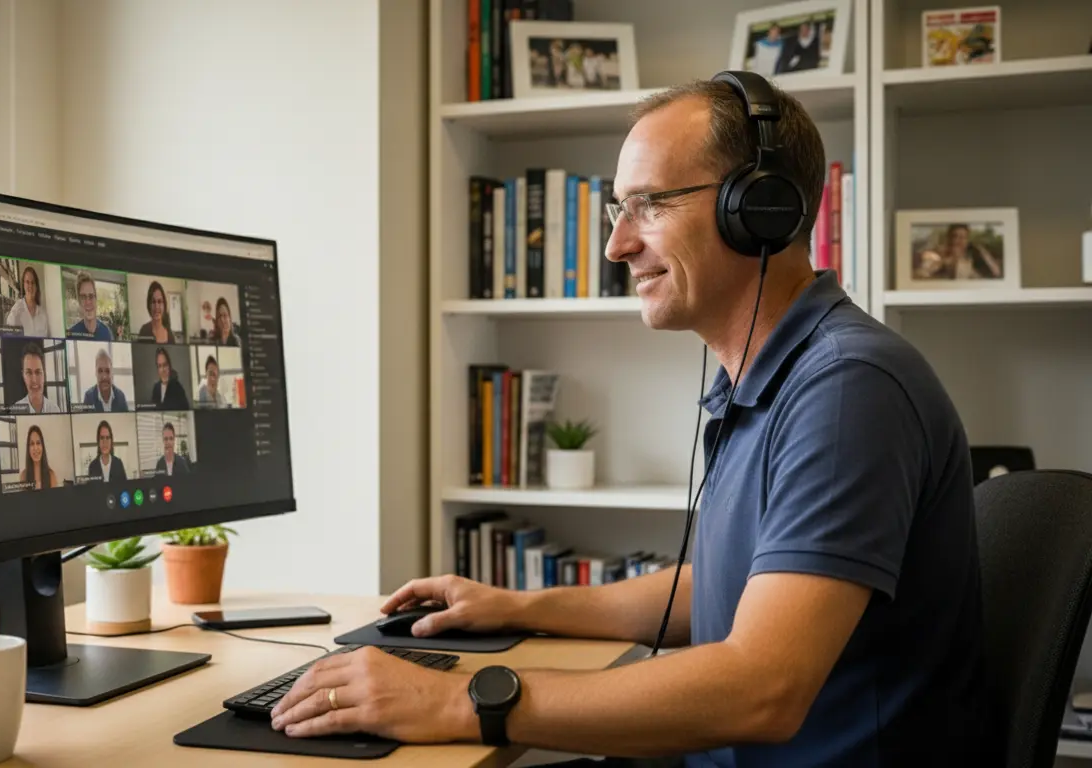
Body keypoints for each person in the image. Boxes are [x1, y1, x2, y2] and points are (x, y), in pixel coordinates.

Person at [267, 75, 992, 767]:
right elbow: (724, 587)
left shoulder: (845, 389)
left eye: (650, 204)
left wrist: (455, 699)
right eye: (619, 209)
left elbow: (763, 689)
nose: (618, 246)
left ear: (758, 208)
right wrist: (519, 605)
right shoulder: (773, 377)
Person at [3, 265, 50, 337]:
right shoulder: (17, 308)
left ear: (36, 286)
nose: (30, 286)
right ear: (23, 285)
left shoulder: (43, 314)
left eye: (33, 282)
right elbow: (8, 333)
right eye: (27, 282)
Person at [13, 342, 59, 413]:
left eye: (38, 372)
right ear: (23, 375)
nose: (34, 380)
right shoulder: (16, 410)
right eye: (29, 373)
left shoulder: (54, 409)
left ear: (44, 374)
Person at [67, 272, 113, 340]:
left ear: (96, 299)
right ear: (79, 301)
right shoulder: (71, 335)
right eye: (83, 297)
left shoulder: (106, 332)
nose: (88, 302)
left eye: (91, 296)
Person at [82, 347, 129, 412]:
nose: (104, 376)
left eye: (107, 371)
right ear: (96, 373)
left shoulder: (121, 396)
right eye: (100, 371)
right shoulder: (88, 397)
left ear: (112, 373)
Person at [18, 424, 59, 489]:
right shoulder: (23, 476)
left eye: (38, 443)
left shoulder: (51, 475)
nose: (35, 448)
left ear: (42, 446)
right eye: (32, 444)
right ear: (28, 448)